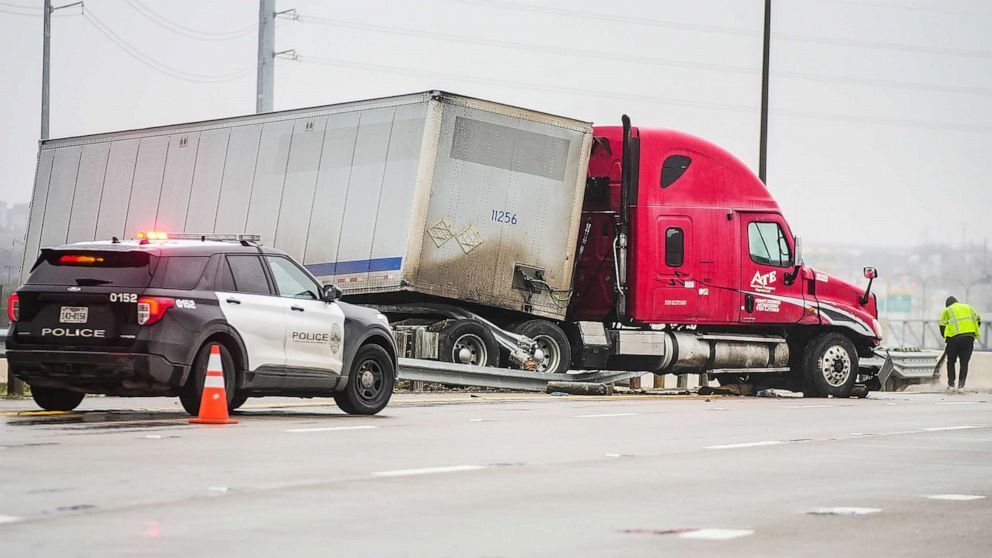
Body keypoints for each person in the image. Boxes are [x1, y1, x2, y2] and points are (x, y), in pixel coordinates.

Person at [938, 296, 982, 392]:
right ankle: (961, 386)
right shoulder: (969, 307)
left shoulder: (947, 310)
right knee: (964, 363)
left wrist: (946, 337)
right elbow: (978, 321)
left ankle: (951, 385)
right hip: (969, 338)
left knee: (951, 362)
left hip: (953, 339)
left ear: (948, 304)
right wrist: (973, 331)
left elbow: (942, 326)